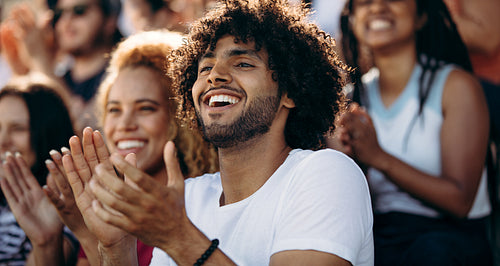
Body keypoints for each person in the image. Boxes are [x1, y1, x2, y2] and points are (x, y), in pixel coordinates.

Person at [60, 0, 374, 265]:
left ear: (290, 92)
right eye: (204, 68)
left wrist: (178, 237)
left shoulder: (325, 173)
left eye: (243, 64)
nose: (215, 76)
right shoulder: (187, 197)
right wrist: (116, 249)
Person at [334, 0, 492, 265]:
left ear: (420, 16)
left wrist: (378, 157)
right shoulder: (352, 101)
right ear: (352, 20)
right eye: (364, 2)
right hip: (381, 235)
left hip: (448, 241)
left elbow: (460, 202)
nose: (377, 8)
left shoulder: (455, 85)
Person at [43, 30, 219, 266]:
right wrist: (70, 235)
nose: (124, 125)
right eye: (115, 110)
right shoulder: (106, 208)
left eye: (145, 108)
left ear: (180, 118)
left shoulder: (208, 202)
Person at [0, 0, 122, 131]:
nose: (66, 21)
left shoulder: (120, 75)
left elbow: (88, 130)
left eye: (79, 11)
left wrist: (40, 59)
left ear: (110, 20)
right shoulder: (59, 75)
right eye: (59, 14)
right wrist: (21, 71)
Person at [0, 79, 78, 265]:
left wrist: (46, 243)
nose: (2, 141)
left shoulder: (64, 206)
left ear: (48, 132)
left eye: (18, 128)